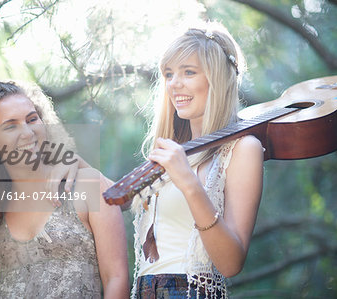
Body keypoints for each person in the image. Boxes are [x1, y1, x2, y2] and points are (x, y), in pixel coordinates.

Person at [0, 81, 129, 298]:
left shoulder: (87, 184)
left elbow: (116, 277)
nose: (28, 132)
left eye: (32, 119)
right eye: (11, 126)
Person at [131, 21, 264, 298]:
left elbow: (231, 263)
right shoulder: (172, 153)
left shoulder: (242, 149)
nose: (174, 84)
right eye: (168, 74)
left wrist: (190, 184)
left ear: (216, 79)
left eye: (188, 72)